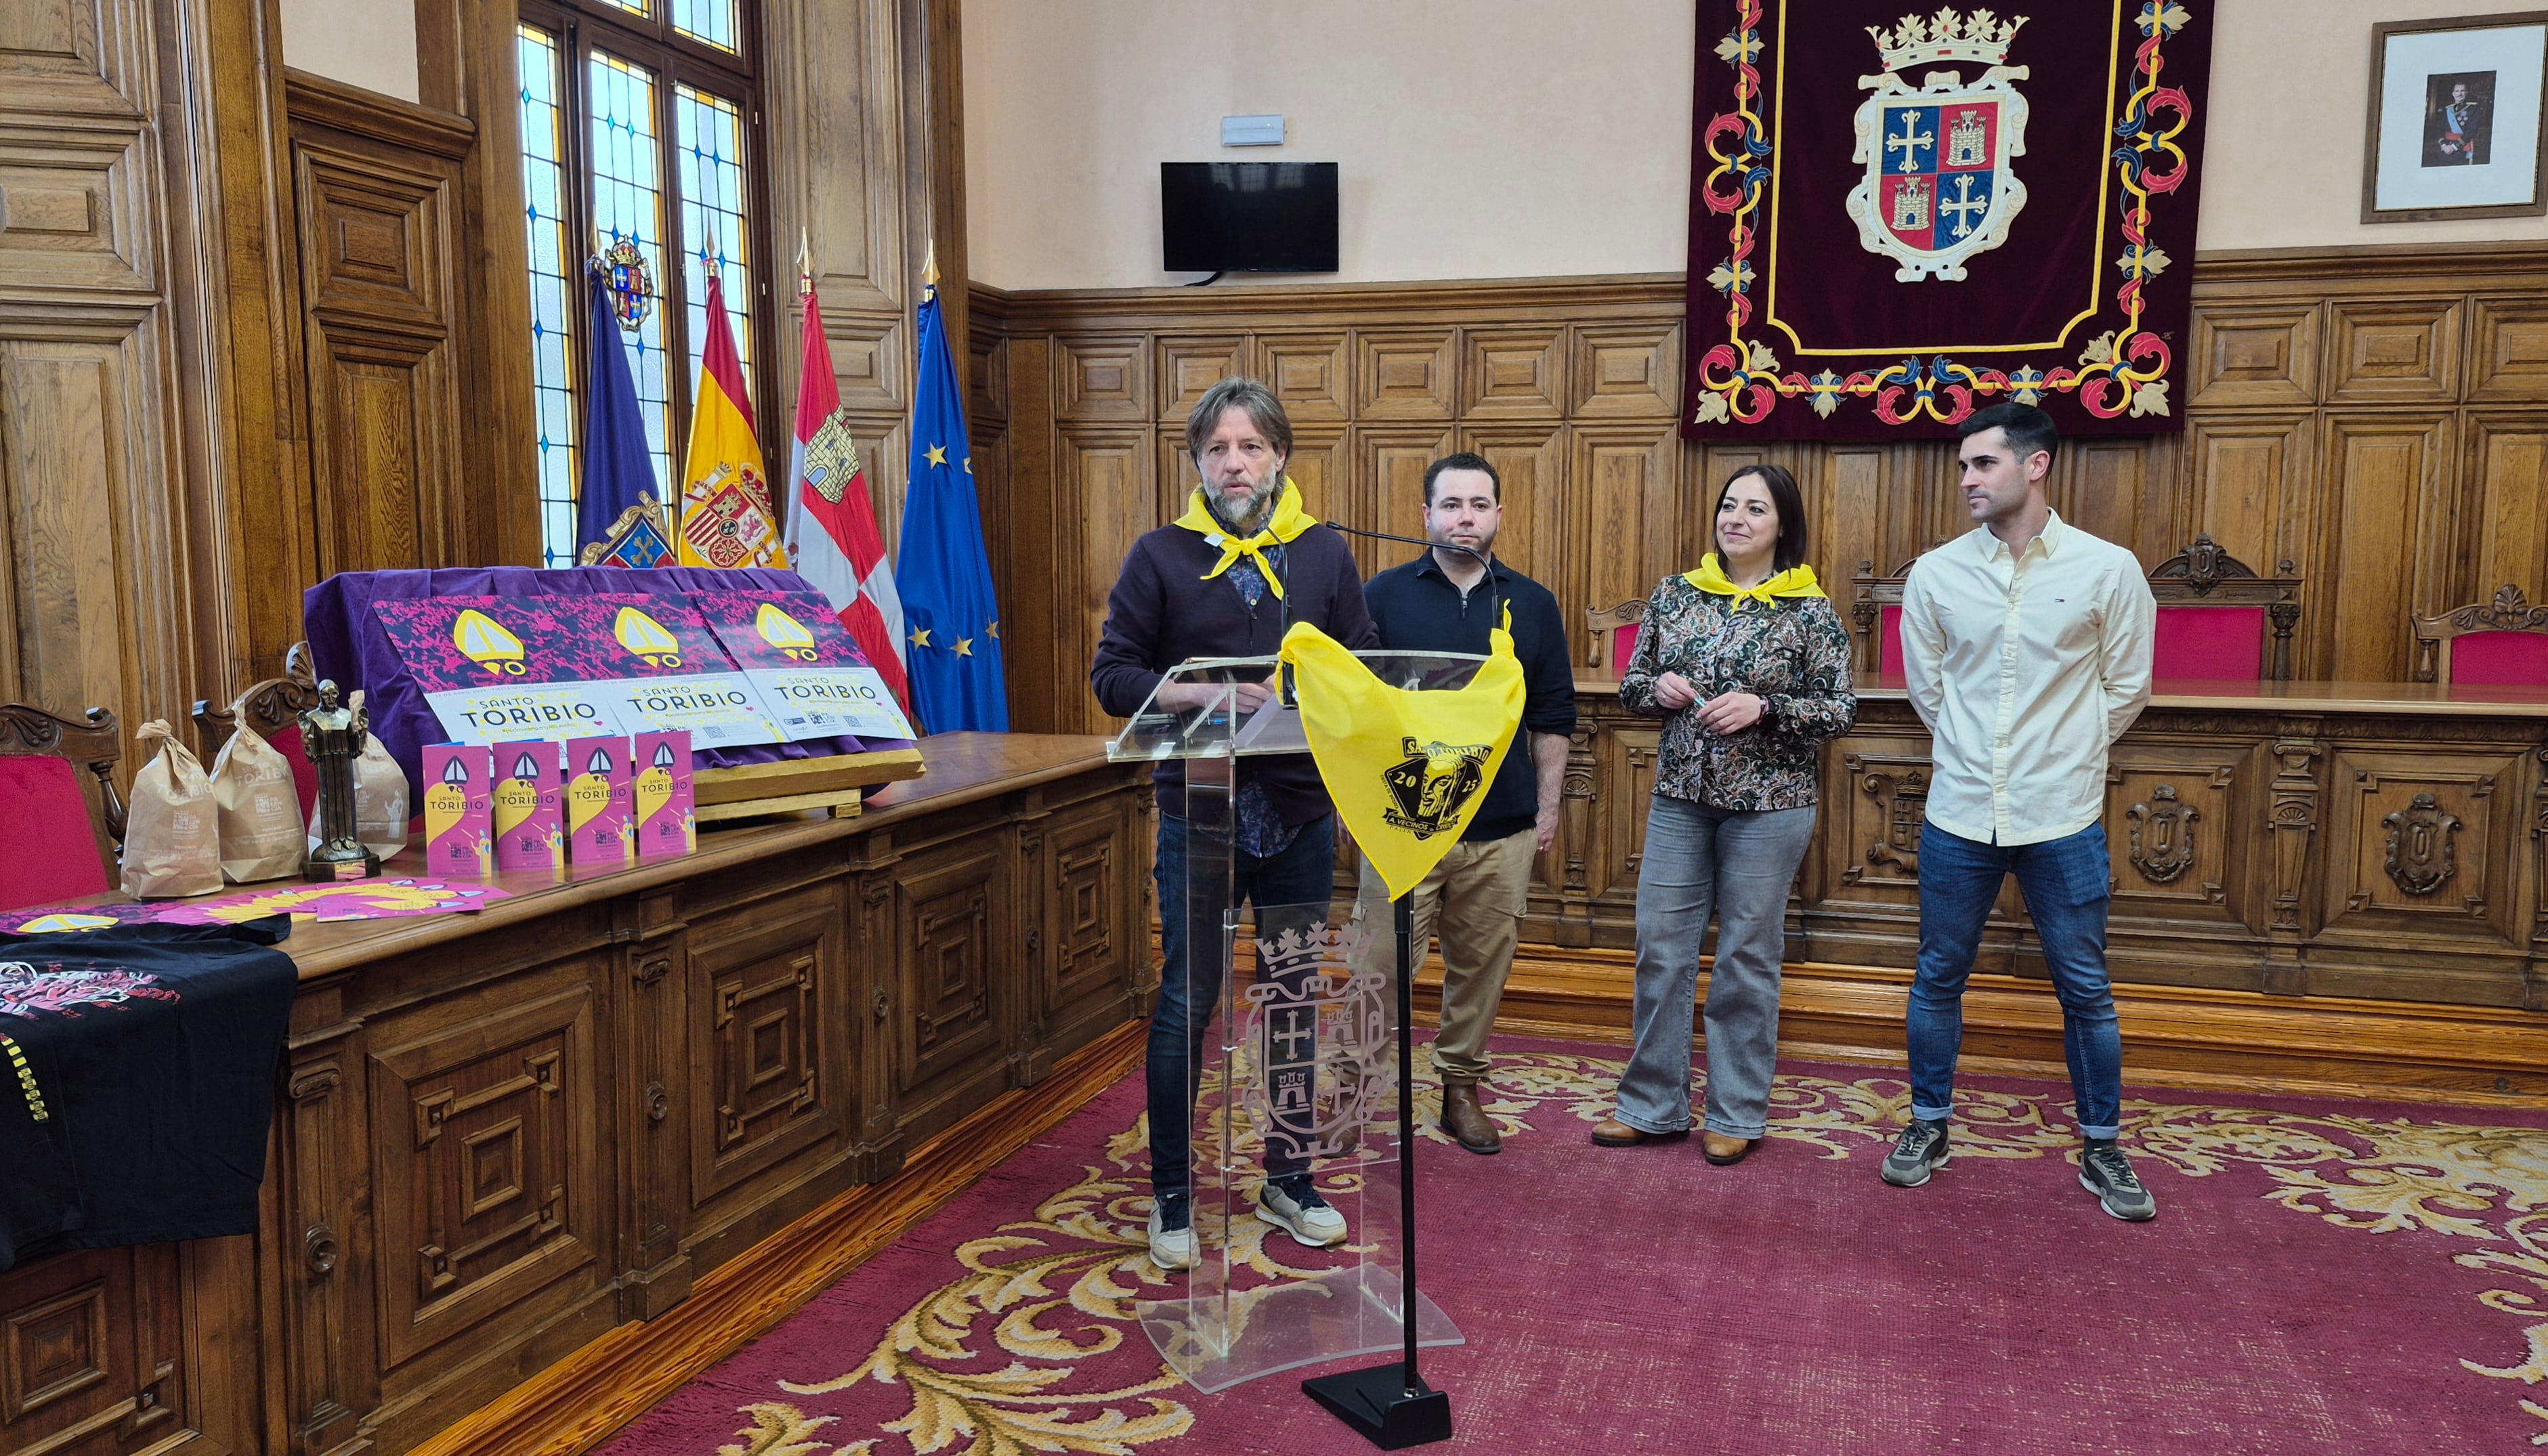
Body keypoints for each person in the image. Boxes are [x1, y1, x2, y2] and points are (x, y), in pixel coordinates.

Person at [1090, 376, 1377, 1271]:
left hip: (1297, 814)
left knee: (1291, 995)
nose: (1234, 462)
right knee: (1189, 1002)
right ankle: (1173, 1193)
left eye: (1250, 446)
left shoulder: (1324, 554)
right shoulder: (1160, 555)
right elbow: (1113, 675)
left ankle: (1287, 1176)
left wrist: (1313, 691)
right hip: (1199, 814)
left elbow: (1363, 669)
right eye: (1217, 449)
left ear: (1280, 457)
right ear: (1198, 464)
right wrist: (1200, 689)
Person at [1880, 401, 2159, 1220]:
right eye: (1964, 465)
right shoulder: (1937, 573)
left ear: (2034, 466)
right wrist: (1980, 756)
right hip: (1960, 808)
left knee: (2086, 987)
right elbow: (1927, 691)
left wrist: (2063, 756)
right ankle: (1928, 1125)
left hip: (2062, 813)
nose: (1966, 479)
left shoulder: (2107, 569)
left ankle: (2103, 1145)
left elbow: (2128, 685)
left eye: (1982, 464)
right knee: (1939, 973)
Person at [1592, 465, 1854, 1165]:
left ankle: (1736, 1110)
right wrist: (1661, 689)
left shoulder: (1811, 610)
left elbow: (1839, 709)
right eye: (1729, 505)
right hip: (1682, 798)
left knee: (1745, 956)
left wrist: (1766, 708)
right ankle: (1653, 1106)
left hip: (1770, 808)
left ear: (1781, 525)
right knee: (1661, 949)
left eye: (1755, 508)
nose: (1736, 517)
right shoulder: (1677, 594)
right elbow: (1632, 686)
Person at [1351, 453, 1575, 1155]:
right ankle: (1363, 1092)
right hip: (1401, 825)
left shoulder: (1532, 603)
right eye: (1451, 505)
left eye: (1479, 504)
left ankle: (1459, 1087)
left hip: (1501, 825)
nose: (1465, 517)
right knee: (1378, 968)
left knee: (1481, 970)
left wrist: (1547, 808)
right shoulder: (1380, 596)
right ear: (1426, 516)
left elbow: (1554, 714)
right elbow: (1350, 712)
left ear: (1499, 516)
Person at [2426, 80, 2487, 166]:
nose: (2459, 94)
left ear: (2466, 93)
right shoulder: (2447, 109)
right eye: (2457, 91)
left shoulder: (2473, 109)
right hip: (2446, 150)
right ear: (2453, 94)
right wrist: (2444, 145)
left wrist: (2454, 147)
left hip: (2462, 149)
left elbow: (2472, 131)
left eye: (2462, 91)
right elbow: (2440, 128)